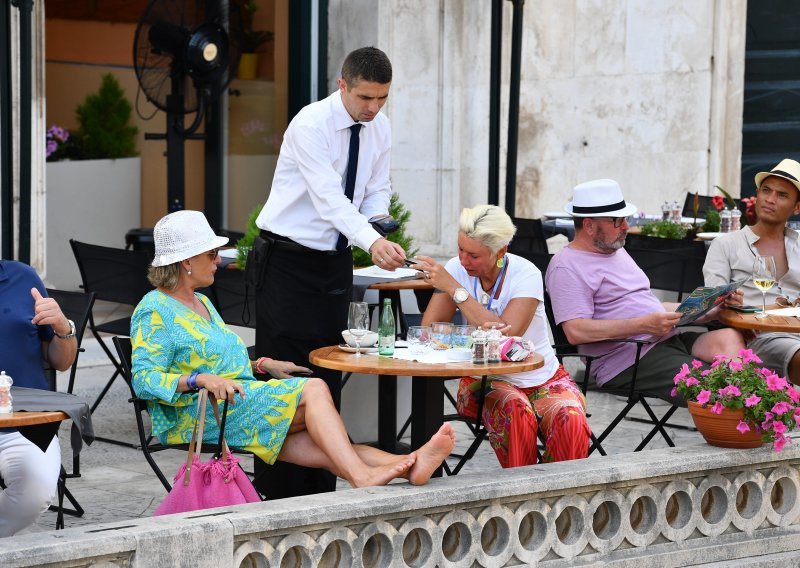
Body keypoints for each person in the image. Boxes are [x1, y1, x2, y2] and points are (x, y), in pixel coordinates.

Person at [131, 211, 454, 492]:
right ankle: (361, 476)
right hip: (196, 416)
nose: (218, 260)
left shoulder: (200, 302)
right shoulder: (155, 309)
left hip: (233, 402)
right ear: (187, 261)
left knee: (323, 444)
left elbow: (219, 362)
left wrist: (264, 364)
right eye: (212, 254)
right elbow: (144, 380)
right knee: (314, 389)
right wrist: (202, 380)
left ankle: (411, 463)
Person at [253, 46, 406, 497]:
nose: (373, 108)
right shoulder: (310, 124)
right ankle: (277, 494)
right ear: (342, 85)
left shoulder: (380, 127)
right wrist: (371, 241)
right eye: (365, 98)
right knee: (283, 377)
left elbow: (377, 188)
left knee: (328, 368)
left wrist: (379, 224)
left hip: (333, 261)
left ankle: (322, 490)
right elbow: (328, 199)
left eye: (382, 99)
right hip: (287, 260)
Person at [413, 205, 590, 467]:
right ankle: (520, 498)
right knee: (516, 412)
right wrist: (452, 290)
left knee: (571, 418)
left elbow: (507, 336)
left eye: (473, 255)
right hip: (483, 381)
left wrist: (455, 290)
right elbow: (429, 332)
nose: (463, 260)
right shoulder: (456, 268)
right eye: (460, 249)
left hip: (542, 377)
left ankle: (562, 498)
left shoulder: (525, 273)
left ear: (501, 251)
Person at [545, 179, 745, 402]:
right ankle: (746, 419)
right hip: (628, 358)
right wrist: (644, 325)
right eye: (617, 220)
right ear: (590, 226)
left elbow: (649, 306)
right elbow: (576, 331)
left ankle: (746, 417)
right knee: (718, 387)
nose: (626, 226)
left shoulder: (614, 249)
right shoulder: (567, 266)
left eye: (625, 219)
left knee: (730, 338)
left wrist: (710, 311)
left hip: (663, 340)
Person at [704, 159, 800, 384]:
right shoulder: (726, 244)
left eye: (782, 195)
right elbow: (710, 299)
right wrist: (726, 301)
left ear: (797, 207)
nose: (770, 199)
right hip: (762, 337)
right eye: (766, 190)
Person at [0, 260, 77, 537]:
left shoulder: (22, 277)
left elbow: (61, 360)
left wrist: (62, 327)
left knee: (36, 488)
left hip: (24, 424)